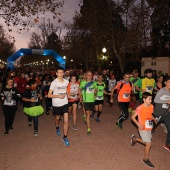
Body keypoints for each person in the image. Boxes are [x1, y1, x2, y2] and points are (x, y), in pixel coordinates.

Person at [131, 92, 157, 168]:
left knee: (147, 142)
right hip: (142, 127)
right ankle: (145, 159)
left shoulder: (151, 106)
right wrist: (138, 124)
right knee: (149, 143)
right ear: (144, 99)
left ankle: (135, 139)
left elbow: (150, 114)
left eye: (151, 99)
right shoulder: (140, 107)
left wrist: (153, 118)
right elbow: (132, 117)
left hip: (148, 126)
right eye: (149, 99)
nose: (150, 100)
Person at [48, 67, 70, 147]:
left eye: (62, 72)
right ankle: (57, 127)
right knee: (57, 118)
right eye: (59, 72)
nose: (61, 74)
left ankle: (65, 137)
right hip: (56, 104)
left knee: (66, 121)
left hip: (65, 103)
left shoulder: (66, 82)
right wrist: (58, 96)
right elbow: (49, 95)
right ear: (56, 73)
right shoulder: (54, 83)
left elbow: (66, 90)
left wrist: (68, 94)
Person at [154, 76, 170, 152]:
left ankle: (167, 144)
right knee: (149, 128)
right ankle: (136, 138)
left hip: (166, 113)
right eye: (169, 82)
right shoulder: (162, 90)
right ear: (165, 83)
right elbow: (155, 100)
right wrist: (166, 102)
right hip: (158, 113)